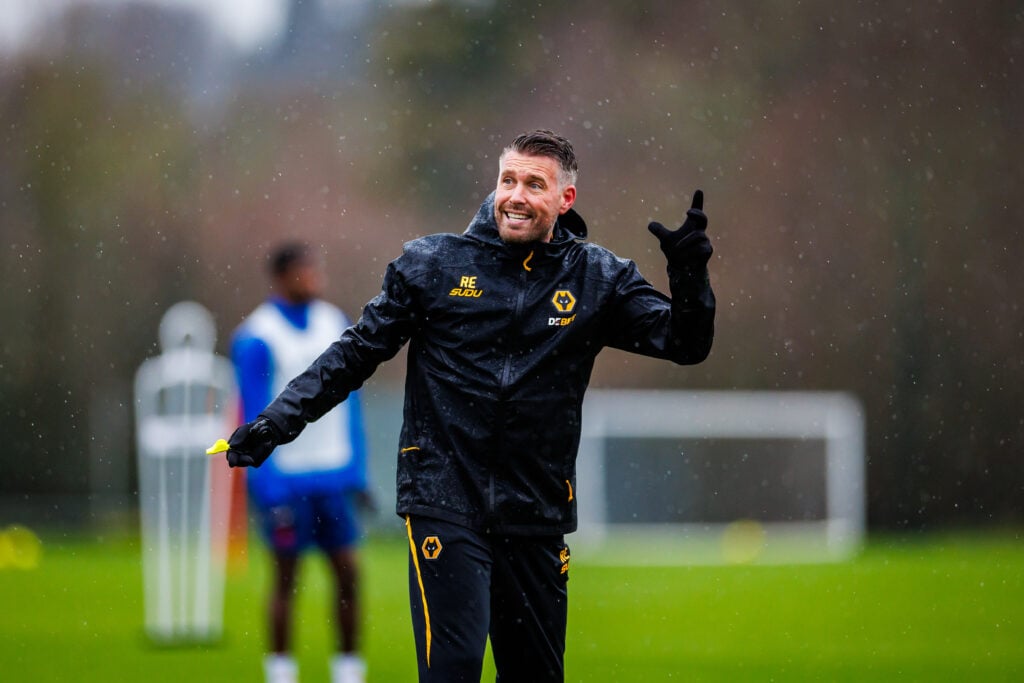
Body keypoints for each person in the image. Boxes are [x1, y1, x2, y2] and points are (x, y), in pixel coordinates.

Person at [225, 130, 715, 682]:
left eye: (535, 183)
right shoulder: (433, 263)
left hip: (536, 509)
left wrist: (689, 276)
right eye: (509, 179)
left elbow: (685, 344)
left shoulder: (598, 278)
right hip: (443, 496)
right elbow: (354, 354)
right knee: (453, 668)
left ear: (565, 199)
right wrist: (274, 422)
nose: (517, 195)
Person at [230, 242, 370, 683]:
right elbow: (253, 412)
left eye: (316, 268)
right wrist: (266, 485)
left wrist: (357, 471)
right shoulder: (257, 336)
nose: (315, 277)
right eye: (305, 271)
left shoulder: (335, 322)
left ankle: (348, 669)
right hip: (286, 479)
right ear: (283, 276)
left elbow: (351, 404)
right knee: (286, 577)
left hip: (333, 475)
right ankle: (281, 670)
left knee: (348, 572)